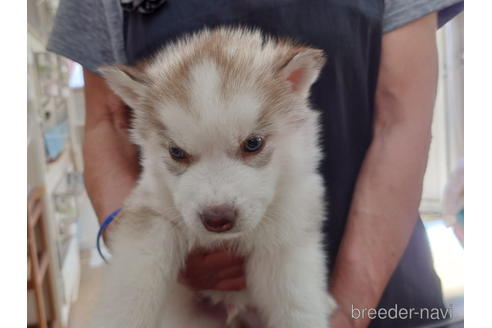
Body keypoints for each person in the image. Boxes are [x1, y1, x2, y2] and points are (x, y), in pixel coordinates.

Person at [48, 1, 463, 327]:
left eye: (250, 146)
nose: (217, 205)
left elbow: (403, 118)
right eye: (179, 153)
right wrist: (122, 230)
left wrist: (347, 316)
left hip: (387, 290)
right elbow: (105, 122)